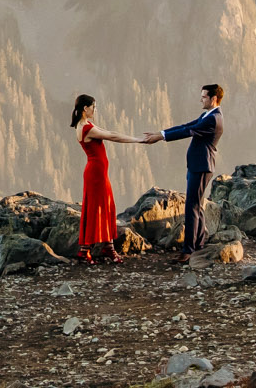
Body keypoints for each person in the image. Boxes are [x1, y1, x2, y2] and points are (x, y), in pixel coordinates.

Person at [140, 83, 225, 257]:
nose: (200, 99)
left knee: (191, 207)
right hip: (198, 165)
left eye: (204, 96)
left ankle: (188, 250)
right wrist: (161, 133)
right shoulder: (207, 114)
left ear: (213, 98)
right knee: (196, 205)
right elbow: (186, 125)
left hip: (201, 166)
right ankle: (198, 243)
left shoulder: (213, 119)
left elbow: (188, 131)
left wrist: (161, 138)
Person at [70, 93, 141, 263]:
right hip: (96, 174)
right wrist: (136, 140)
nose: (95, 109)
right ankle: (86, 250)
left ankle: (108, 247)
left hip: (98, 172)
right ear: (85, 108)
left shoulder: (85, 125)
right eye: (93, 107)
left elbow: (109, 132)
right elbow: (112, 136)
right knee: (96, 208)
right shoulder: (86, 128)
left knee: (105, 206)